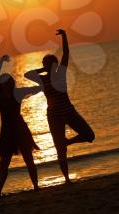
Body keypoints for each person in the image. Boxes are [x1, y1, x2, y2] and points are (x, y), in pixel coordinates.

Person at [24, 29, 95, 183]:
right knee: (60, 150)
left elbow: (67, 53)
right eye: (43, 64)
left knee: (89, 135)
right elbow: (27, 74)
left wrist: (65, 37)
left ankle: (68, 141)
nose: (45, 66)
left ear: (54, 64)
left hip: (69, 111)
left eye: (47, 63)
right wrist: (43, 69)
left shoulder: (61, 73)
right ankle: (67, 179)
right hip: (54, 116)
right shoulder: (42, 79)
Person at [0, 55, 41, 198]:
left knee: (29, 160)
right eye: (3, 82)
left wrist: (43, 81)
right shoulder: (0, 94)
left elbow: (36, 89)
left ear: (11, 83)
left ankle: (36, 186)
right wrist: (0, 61)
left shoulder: (17, 93)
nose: (4, 84)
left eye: (7, 81)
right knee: (4, 165)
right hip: (7, 132)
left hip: (20, 131)